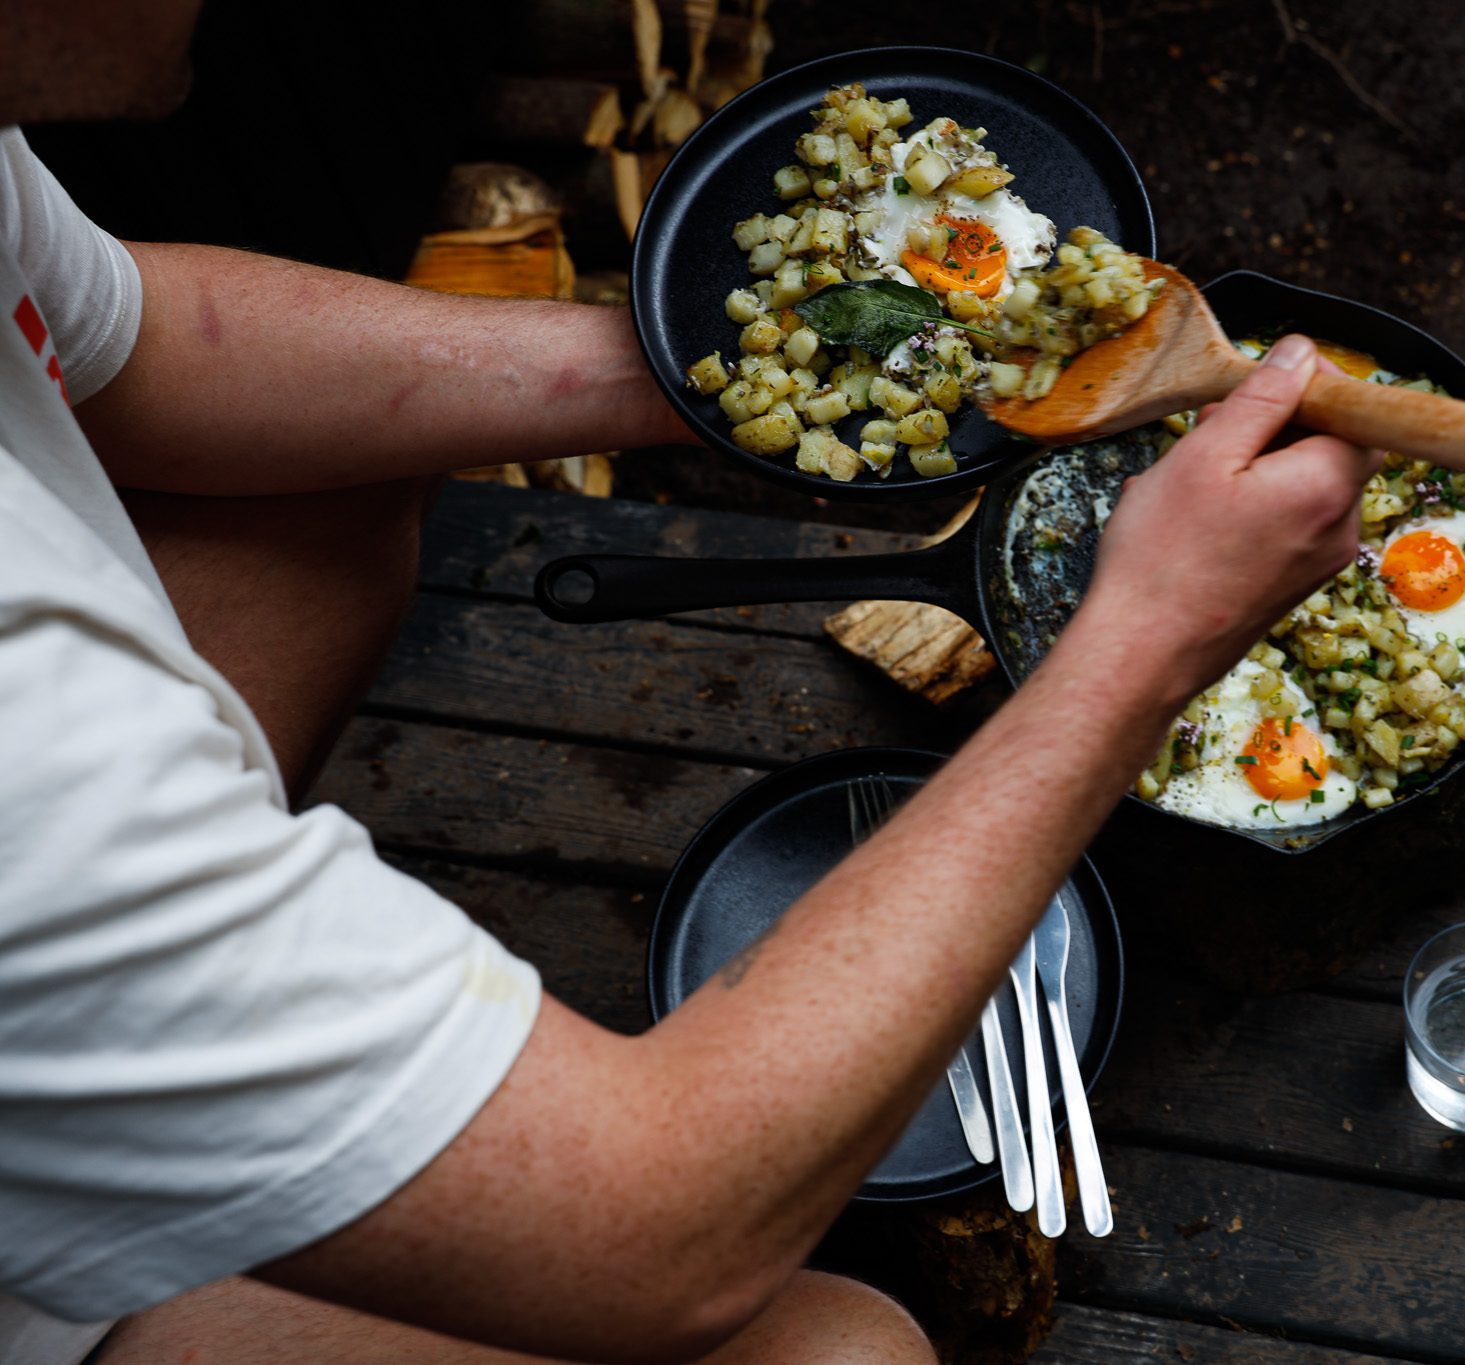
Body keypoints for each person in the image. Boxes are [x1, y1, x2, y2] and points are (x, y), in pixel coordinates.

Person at [0, 3, 1382, 1361]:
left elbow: (136, 341)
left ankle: (200, 1084)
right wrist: (1143, 639)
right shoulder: (33, 731)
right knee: (852, 1351)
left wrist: (700, 369)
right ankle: (193, 1108)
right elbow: (662, 1237)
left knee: (314, 500)